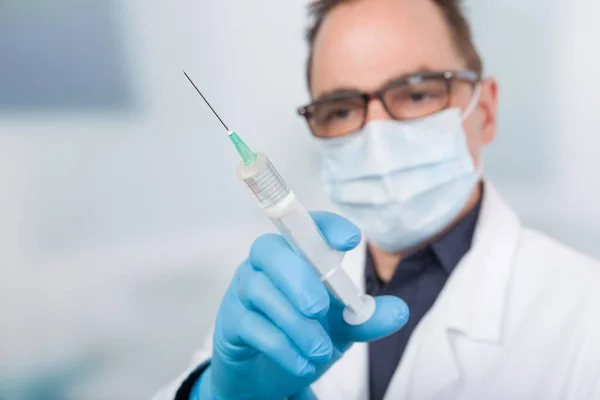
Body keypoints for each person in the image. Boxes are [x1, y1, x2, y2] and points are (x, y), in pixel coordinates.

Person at [154, 0, 600, 399]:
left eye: (417, 93)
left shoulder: (585, 314)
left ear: (485, 110)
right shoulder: (288, 292)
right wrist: (212, 395)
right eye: (342, 109)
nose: (377, 134)